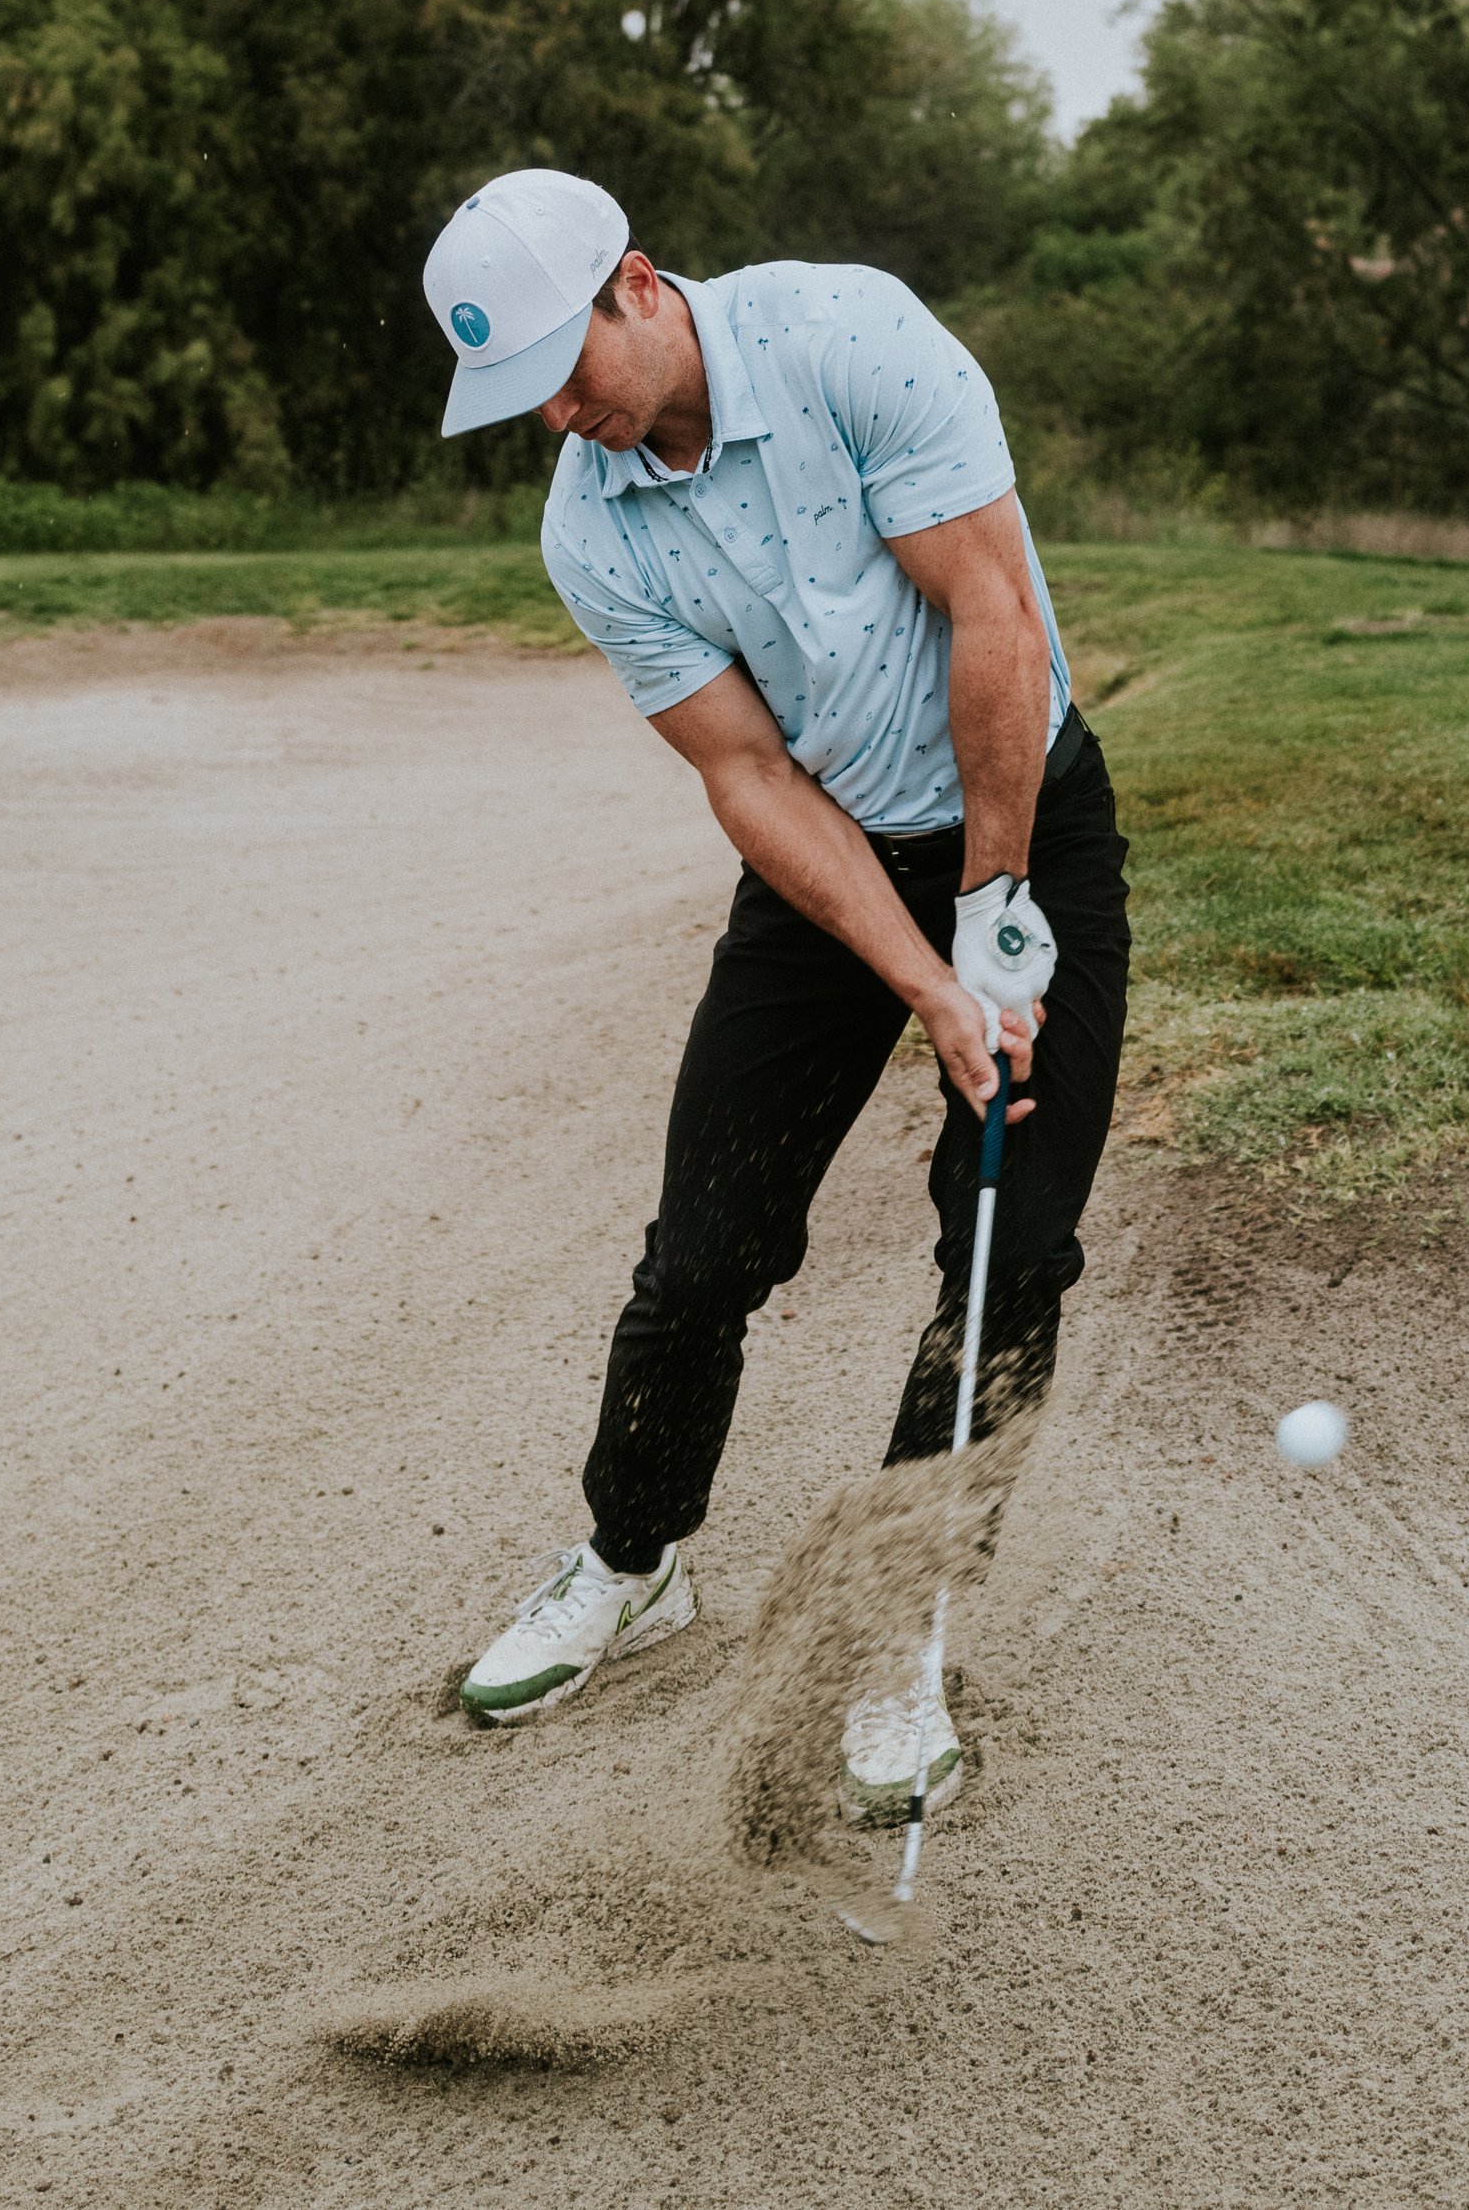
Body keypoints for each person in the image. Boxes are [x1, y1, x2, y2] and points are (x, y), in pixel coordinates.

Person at [425, 167, 1130, 1819]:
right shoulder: (586, 526)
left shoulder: (848, 338)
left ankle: (903, 1633)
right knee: (707, 1238)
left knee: (1007, 1237)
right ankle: (633, 1550)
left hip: (1021, 805)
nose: (559, 414)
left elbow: (994, 621)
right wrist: (913, 974)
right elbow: (747, 774)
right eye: (521, 393)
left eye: (567, 367)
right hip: (826, 850)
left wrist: (994, 921)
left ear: (639, 286)